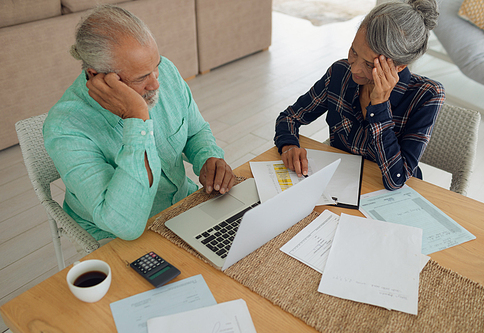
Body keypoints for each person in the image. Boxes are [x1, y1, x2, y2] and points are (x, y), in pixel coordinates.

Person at [43, 5, 235, 242]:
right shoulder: (65, 127)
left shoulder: (164, 71)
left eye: (155, 67)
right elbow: (125, 225)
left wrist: (208, 158)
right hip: (115, 238)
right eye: (142, 78)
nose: (155, 84)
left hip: (181, 206)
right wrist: (136, 120)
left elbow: (195, 131)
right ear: (97, 76)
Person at [274, 0, 445, 190]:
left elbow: (396, 179)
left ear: (400, 67)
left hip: (386, 195)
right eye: (354, 52)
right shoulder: (340, 73)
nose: (354, 67)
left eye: (370, 65)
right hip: (337, 185)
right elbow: (289, 118)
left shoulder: (427, 95)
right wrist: (288, 146)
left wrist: (379, 105)